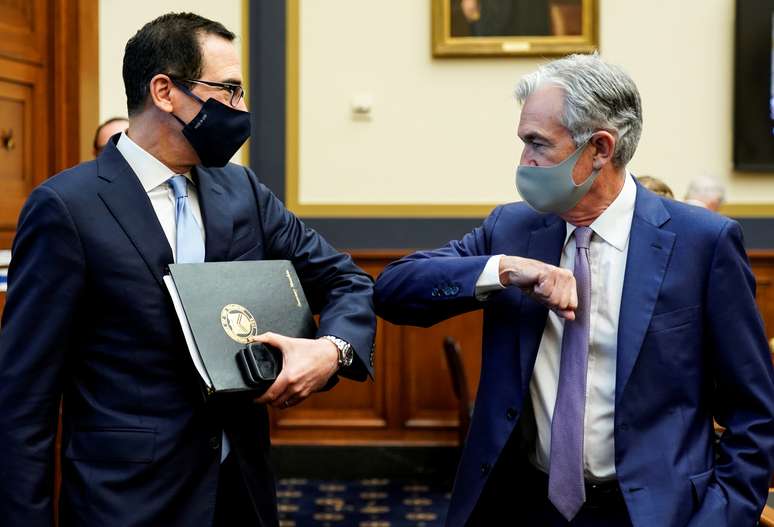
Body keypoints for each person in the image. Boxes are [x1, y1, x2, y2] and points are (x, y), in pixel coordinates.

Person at [0, 13, 376, 526]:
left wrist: (331, 350)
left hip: (241, 490)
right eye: (230, 90)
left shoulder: (243, 192)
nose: (241, 108)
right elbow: (24, 397)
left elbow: (345, 280)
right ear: (165, 91)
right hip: (128, 500)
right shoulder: (66, 207)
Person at [375, 54, 774, 526]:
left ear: (600, 148)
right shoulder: (513, 229)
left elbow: (754, 415)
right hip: (524, 503)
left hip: (651, 512)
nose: (524, 161)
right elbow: (393, 290)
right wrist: (504, 269)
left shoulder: (702, 243)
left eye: (537, 144)